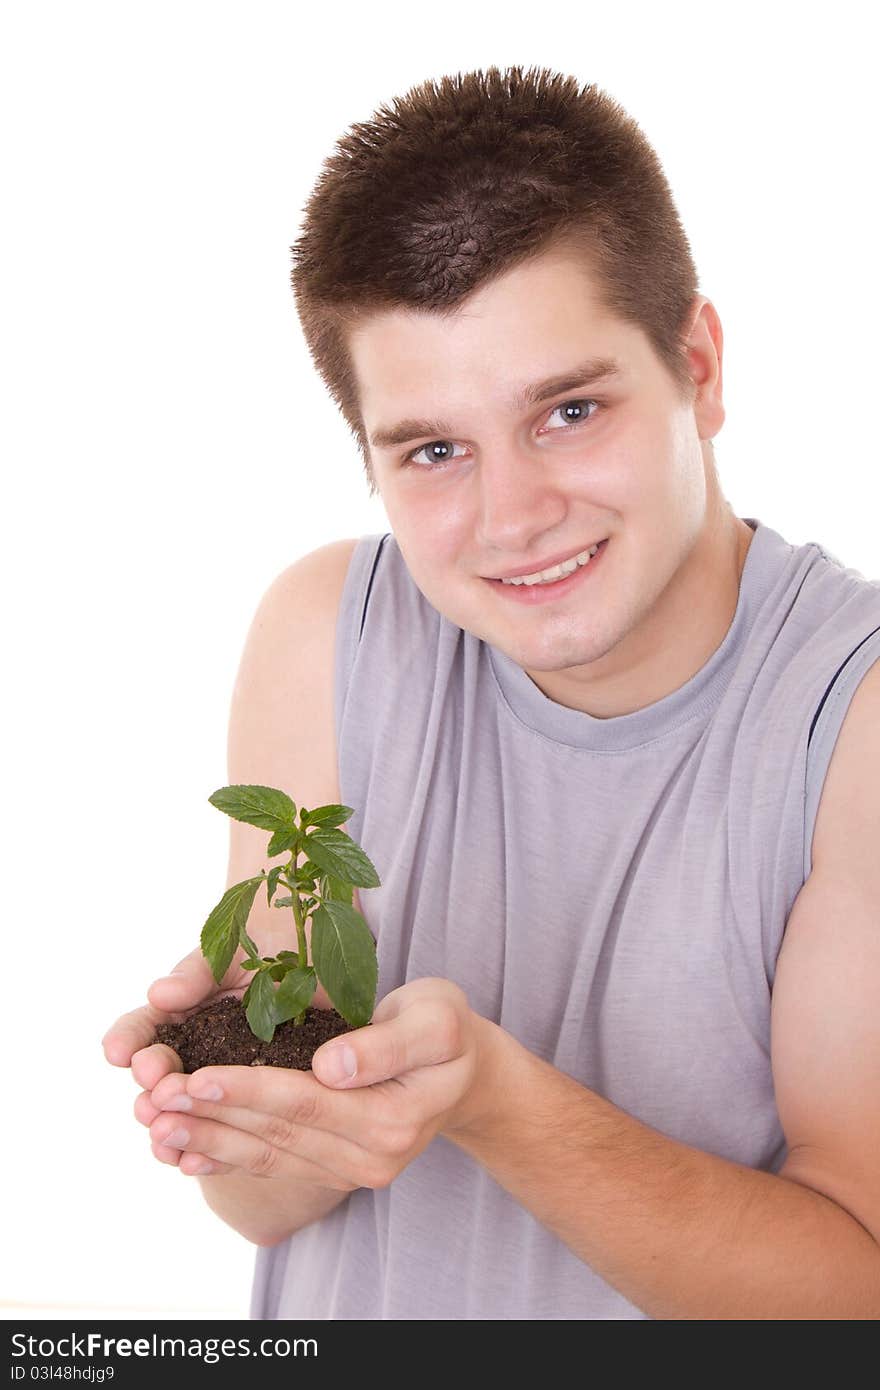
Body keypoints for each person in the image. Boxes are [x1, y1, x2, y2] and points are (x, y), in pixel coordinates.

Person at [103, 64, 880, 1319]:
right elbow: (257, 1207)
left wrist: (497, 1100)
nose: (511, 518)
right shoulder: (325, 638)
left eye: (568, 410)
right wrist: (239, 1115)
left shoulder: (851, 720)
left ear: (698, 363)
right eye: (434, 451)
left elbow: (858, 1291)